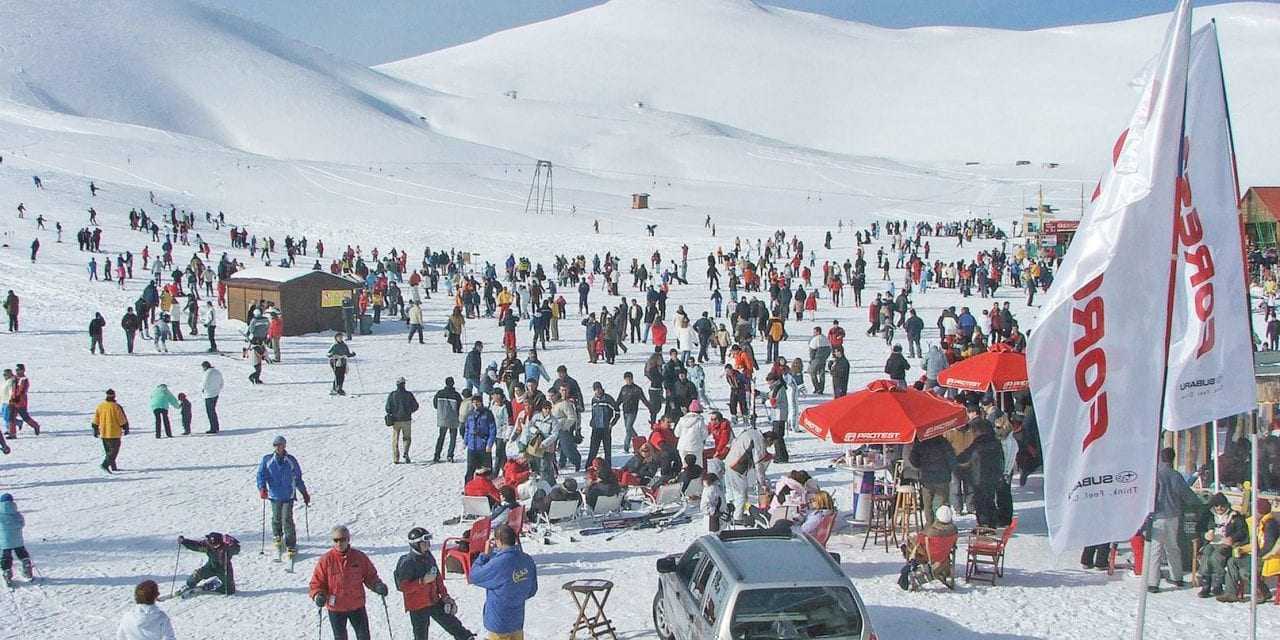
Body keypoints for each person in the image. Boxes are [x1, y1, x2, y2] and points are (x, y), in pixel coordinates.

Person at [394, 528, 475, 640]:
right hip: (417, 606)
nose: (428, 544)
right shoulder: (407, 563)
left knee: (453, 625)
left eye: (428, 541)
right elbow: (403, 587)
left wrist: (445, 596)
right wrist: (422, 581)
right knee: (421, 635)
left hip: (433, 600)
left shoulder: (428, 556)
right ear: (416, 544)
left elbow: (437, 578)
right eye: (424, 542)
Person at [310, 525, 389, 640]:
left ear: (348, 539)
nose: (339, 543)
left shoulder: (359, 557)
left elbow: (370, 576)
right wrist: (318, 594)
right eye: (336, 540)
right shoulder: (326, 560)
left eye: (342, 539)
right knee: (340, 637)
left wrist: (377, 586)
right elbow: (316, 583)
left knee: (364, 636)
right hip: (336, 607)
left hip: (356, 605)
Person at [1146, 447, 1201, 593]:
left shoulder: (1155, 475)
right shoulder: (1175, 475)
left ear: (1161, 458)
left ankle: (1153, 582)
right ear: (1173, 459)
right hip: (1174, 516)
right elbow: (1186, 494)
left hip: (1157, 516)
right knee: (1173, 547)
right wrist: (1197, 503)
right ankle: (1177, 576)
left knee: (1156, 549)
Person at [468, 525, 538, 640]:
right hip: (517, 620)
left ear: (498, 541)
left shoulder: (498, 563)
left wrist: (485, 555)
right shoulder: (527, 560)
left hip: (499, 622)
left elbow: (474, 576)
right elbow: (532, 590)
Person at [257, 435, 311, 562]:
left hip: (288, 494)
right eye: (276, 445)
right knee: (276, 517)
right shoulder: (267, 460)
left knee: (286, 518)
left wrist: (304, 493)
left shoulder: (290, 460)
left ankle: (291, 543)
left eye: (280, 445)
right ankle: (278, 536)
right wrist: (262, 488)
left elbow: (297, 478)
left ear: (284, 446)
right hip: (274, 494)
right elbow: (261, 475)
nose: (278, 447)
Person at [897, 505, 960, 591]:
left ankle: (910, 570)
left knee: (912, 546)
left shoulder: (931, 532)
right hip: (944, 557)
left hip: (929, 557)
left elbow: (920, 541)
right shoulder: (954, 531)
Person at [1196, 493, 1247, 598]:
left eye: (1222, 506)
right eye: (1216, 506)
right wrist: (1205, 535)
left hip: (1226, 544)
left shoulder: (1234, 516)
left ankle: (1217, 584)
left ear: (1226, 505)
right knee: (1206, 556)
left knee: (1216, 557)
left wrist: (1232, 538)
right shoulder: (1208, 515)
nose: (1219, 508)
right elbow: (1199, 529)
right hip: (1211, 542)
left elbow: (1242, 531)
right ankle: (1206, 585)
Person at [909, 435, 956, 527]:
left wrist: (921, 466)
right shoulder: (943, 442)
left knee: (928, 505)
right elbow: (952, 460)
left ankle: (930, 526)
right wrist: (949, 471)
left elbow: (913, 459)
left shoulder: (921, 442)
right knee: (943, 504)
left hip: (927, 478)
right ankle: (944, 525)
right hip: (943, 477)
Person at [0, 494, 34, 586]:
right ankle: (26, 566)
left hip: (4, 542)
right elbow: (22, 523)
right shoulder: (17, 514)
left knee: (6, 557)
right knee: (22, 552)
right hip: (18, 540)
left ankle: (7, 572)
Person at [92, 389, 129, 473]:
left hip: (104, 433)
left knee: (108, 451)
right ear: (114, 396)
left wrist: (95, 428)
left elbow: (96, 419)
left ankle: (113, 467)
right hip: (114, 433)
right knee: (113, 451)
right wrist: (125, 427)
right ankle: (105, 465)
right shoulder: (116, 406)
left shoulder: (101, 406)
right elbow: (121, 419)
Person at [386, 376, 420, 464]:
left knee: (395, 439)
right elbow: (416, 406)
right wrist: (409, 411)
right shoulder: (408, 394)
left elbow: (387, 408)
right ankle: (406, 452)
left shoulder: (392, 395)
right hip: (406, 420)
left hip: (395, 420)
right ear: (404, 384)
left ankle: (396, 458)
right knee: (407, 438)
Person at [463, 394, 496, 483]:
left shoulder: (487, 414)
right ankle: (468, 488)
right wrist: (465, 441)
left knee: (486, 470)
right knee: (470, 469)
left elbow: (492, 430)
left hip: (483, 446)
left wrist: (489, 444)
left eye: (477, 403)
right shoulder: (470, 414)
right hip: (472, 446)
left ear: (481, 403)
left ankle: (487, 488)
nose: (475, 405)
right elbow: (467, 428)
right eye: (473, 403)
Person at [587, 382, 619, 467]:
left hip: (606, 428)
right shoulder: (593, 399)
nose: (598, 391)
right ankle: (589, 465)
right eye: (596, 389)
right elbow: (593, 412)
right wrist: (592, 421)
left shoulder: (608, 399)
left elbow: (617, 412)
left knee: (607, 449)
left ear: (601, 388)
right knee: (593, 448)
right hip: (596, 428)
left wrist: (612, 423)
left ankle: (608, 466)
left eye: (599, 389)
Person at [433, 378, 463, 463]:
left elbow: (435, 405)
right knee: (452, 438)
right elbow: (460, 406)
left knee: (441, 437)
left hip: (442, 418)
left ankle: (437, 455)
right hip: (453, 419)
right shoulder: (456, 395)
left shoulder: (440, 393)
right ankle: (450, 455)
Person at [201, 361, 223, 433]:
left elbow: (204, 383)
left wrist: (203, 390)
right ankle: (216, 426)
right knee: (213, 411)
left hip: (209, 395)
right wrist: (217, 389)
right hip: (216, 394)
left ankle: (213, 428)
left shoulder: (207, 373)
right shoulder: (217, 372)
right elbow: (221, 383)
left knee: (210, 412)